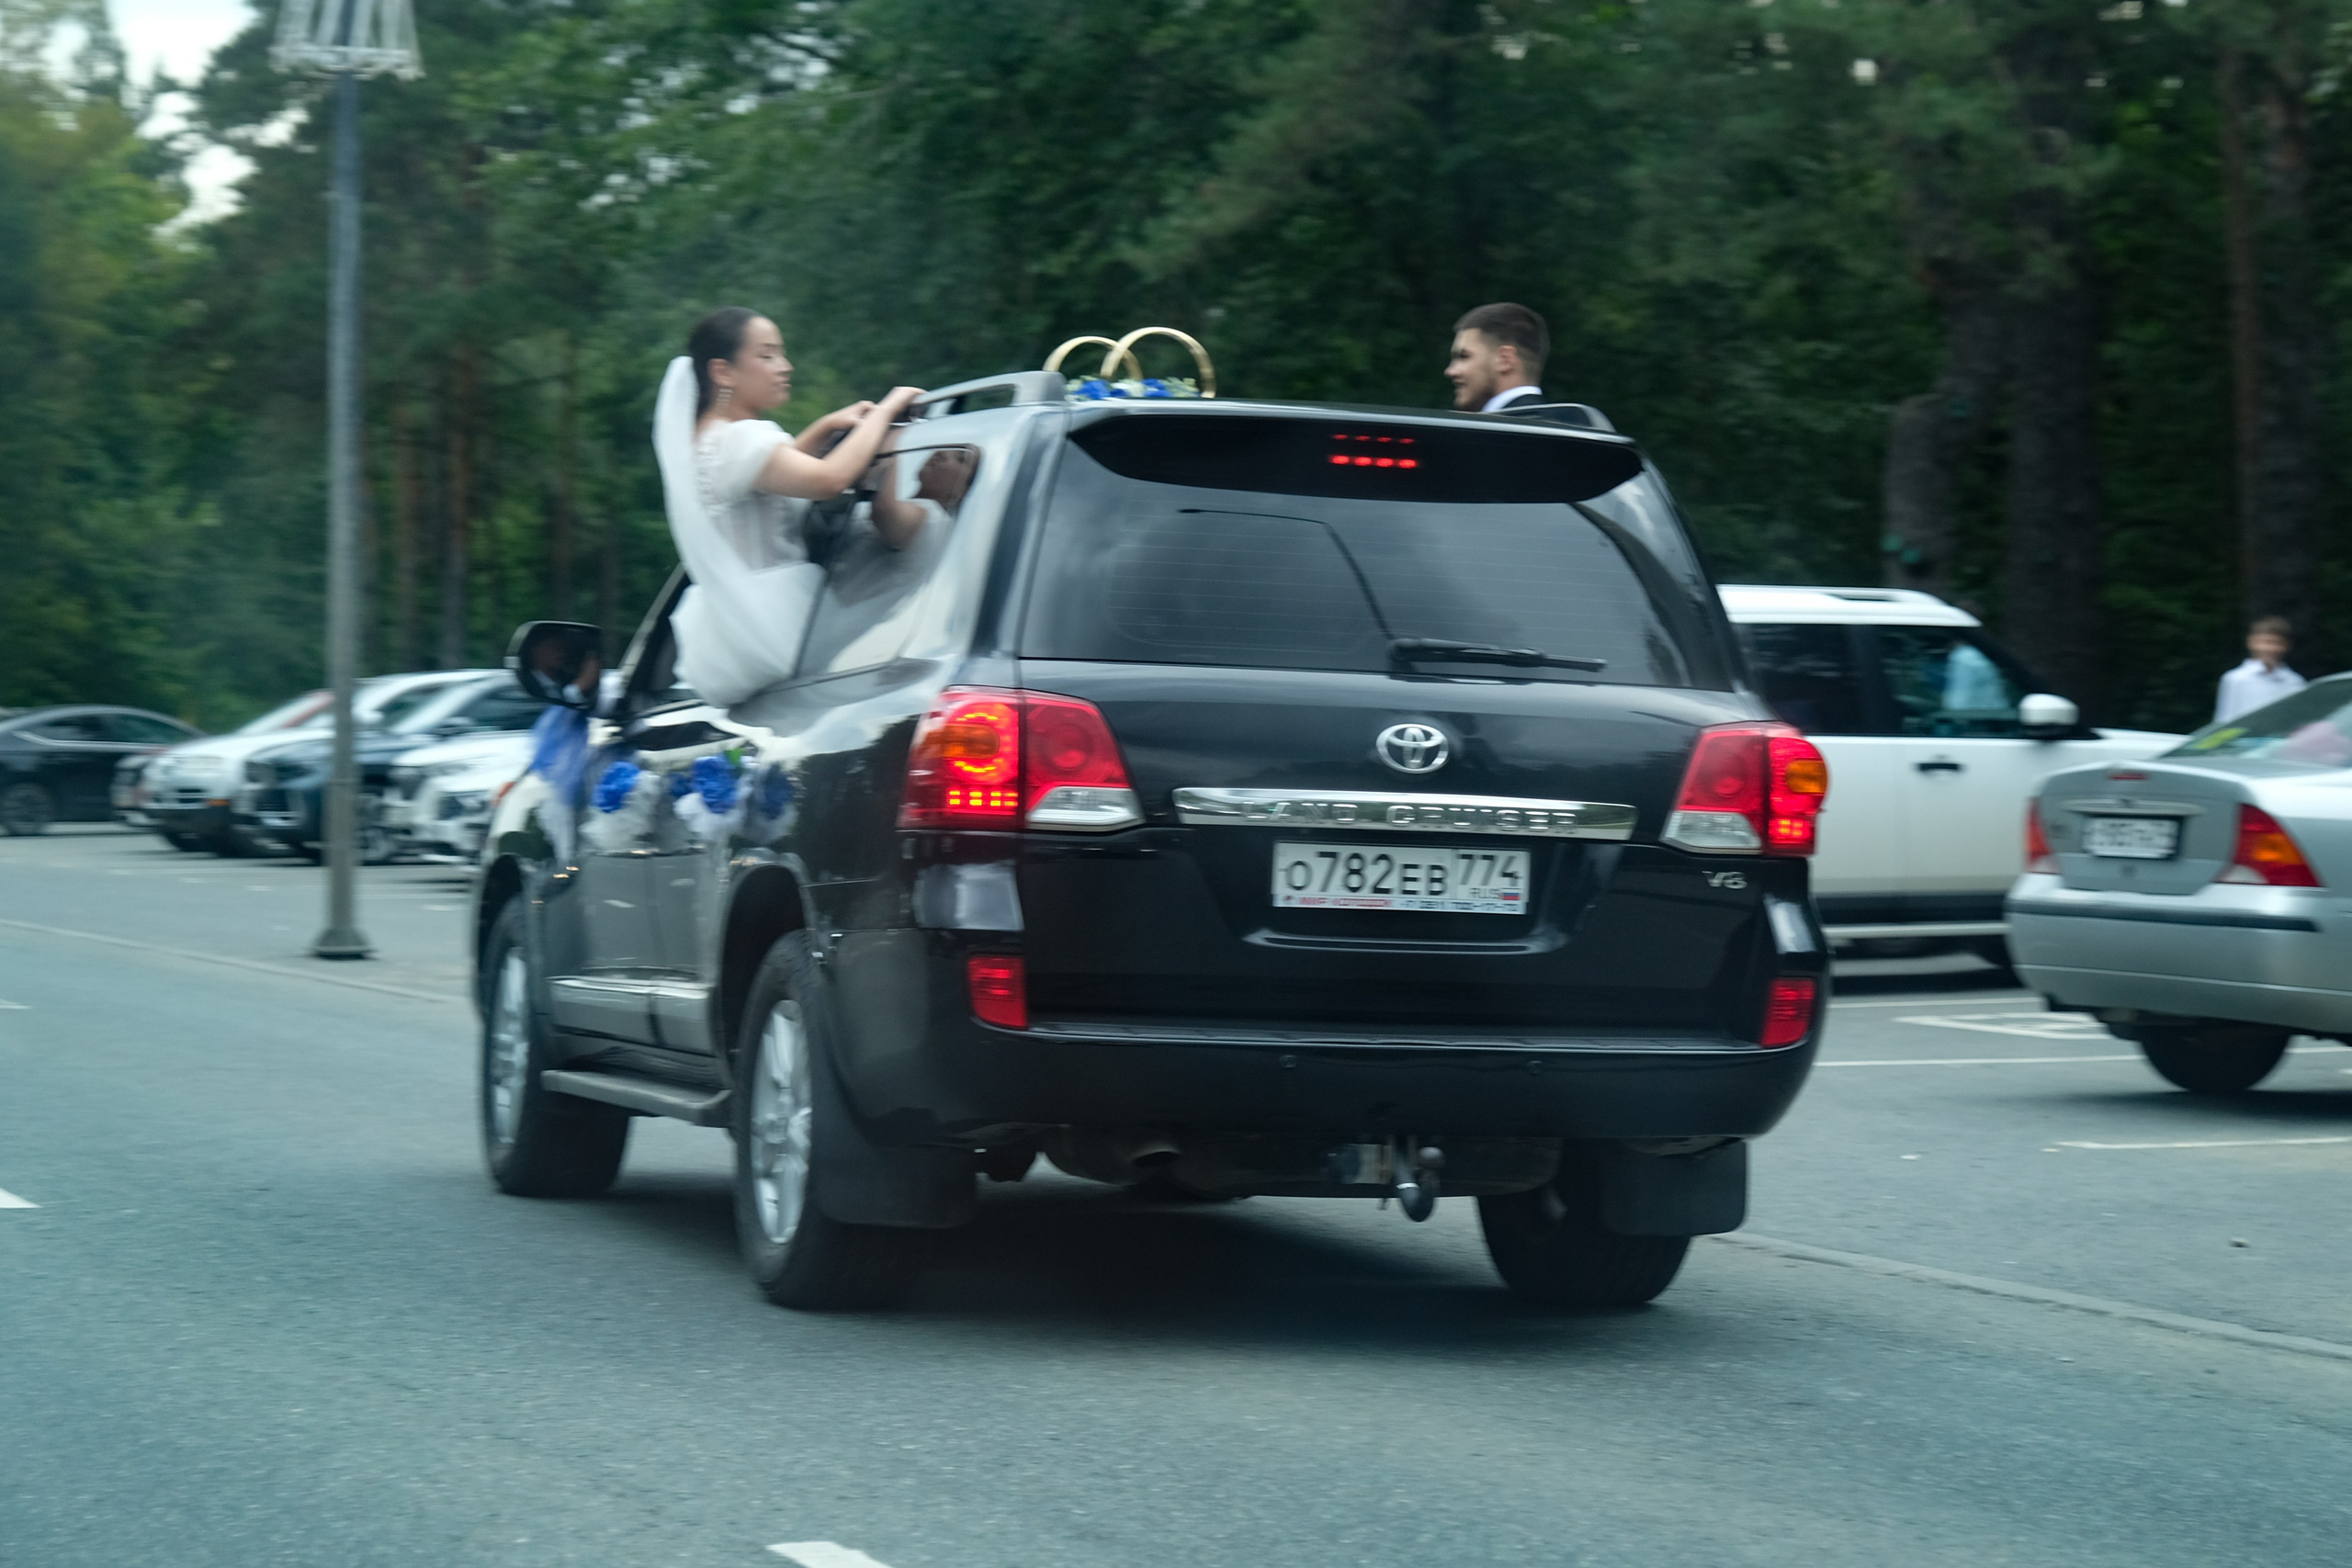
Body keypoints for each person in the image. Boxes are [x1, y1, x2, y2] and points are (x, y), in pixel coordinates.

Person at [653, 307, 922, 707]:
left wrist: (825, 426)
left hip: (741, 628)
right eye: (767, 356)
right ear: (723, 372)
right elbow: (829, 481)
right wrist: (885, 412)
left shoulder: (710, 441)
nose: (785, 367)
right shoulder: (738, 440)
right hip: (782, 619)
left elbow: (769, 484)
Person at [1444, 302, 1550, 412]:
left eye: (1464, 357)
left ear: (1505, 360)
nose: (1451, 371)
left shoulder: (1498, 428)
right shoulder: (1556, 425)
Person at [2214, 615, 2306, 724]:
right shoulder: (2236, 678)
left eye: (2276, 643)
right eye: (2264, 642)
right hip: (2243, 739)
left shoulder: (2294, 681)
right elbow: (2224, 719)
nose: (2269, 648)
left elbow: (2297, 718)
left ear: (2286, 646)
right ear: (2251, 643)